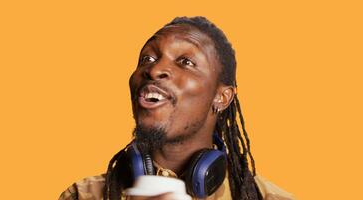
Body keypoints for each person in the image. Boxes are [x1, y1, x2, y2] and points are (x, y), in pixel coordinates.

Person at [59, 16, 295, 200]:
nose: (153, 70)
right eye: (147, 59)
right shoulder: (83, 195)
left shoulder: (267, 197)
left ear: (222, 97)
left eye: (186, 62)